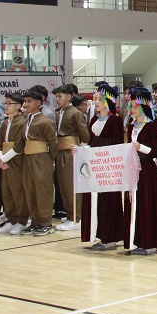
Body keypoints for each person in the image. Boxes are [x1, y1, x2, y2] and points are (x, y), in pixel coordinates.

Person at [124, 87, 157, 255]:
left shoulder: (152, 127)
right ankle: (135, 241)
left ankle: (149, 242)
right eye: (131, 106)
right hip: (132, 169)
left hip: (146, 170)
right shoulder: (131, 126)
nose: (132, 109)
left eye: (135, 106)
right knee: (134, 204)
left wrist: (140, 147)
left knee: (146, 204)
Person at [81, 84, 125, 250]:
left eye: (100, 99)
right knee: (96, 201)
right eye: (96, 98)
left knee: (109, 201)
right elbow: (92, 142)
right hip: (95, 167)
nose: (96, 102)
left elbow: (117, 144)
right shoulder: (93, 120)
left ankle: (111, 237)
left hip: (108, 168)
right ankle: (99, 234)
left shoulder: (115, 120)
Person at [20, 87, 58, 236]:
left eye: (30, 101)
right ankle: (35, 221)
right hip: (28, 157)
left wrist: (51, 159)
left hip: (42, 157)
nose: (26, 104)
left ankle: (46, 223)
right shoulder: (27, 120)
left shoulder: (45, 121)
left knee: (43, 190)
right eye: (25, 101)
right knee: (30, 189)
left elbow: (53, 142)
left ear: (39, 102)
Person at [53, 84, 90, 232]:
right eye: (56, 96)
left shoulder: (75, 113)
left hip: (71, 151)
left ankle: (77, 217)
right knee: (62, 185)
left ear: (69, 97)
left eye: (60, 96)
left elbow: (85, 135)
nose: (57, 99)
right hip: (60, 150)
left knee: (71, 185)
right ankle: (69, 215)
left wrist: (81, 148)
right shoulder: (59, 113)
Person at [0, 94, 28, 235]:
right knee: (6, 191)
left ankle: (22, 221)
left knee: (18, 191)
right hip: (5, 161)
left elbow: (21, 144)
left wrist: (5, 158)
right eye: (6, 103)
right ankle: (11, 219)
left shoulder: (22, 122)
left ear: (19, 106)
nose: (6, 106)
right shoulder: (5, 123)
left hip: (17, 160)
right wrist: (1, 158)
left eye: (10, 103)